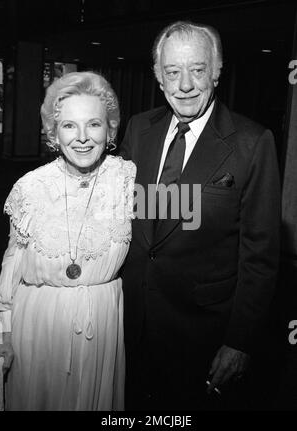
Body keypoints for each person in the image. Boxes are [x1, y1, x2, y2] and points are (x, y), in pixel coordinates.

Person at [119, 21, 281, 410]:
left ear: (217, 70)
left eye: (197, 69)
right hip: (127, 325)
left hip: (201, 336)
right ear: (159, 78)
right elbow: (118, 216)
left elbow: (260, 256)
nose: (185, 84)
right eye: (172, 72)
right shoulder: (139, 129)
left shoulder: (252, 142)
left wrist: (239, 342)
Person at [0, 71, 136, 410]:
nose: (83, 138)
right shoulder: (30, 187)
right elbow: (12, 262)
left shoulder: (128, 180)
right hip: (39, 325)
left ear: (110, 130)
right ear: (53, 134)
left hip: (102, 323)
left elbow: (186, 214)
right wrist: (4, 330)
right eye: (70, 126)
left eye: (94, 124)